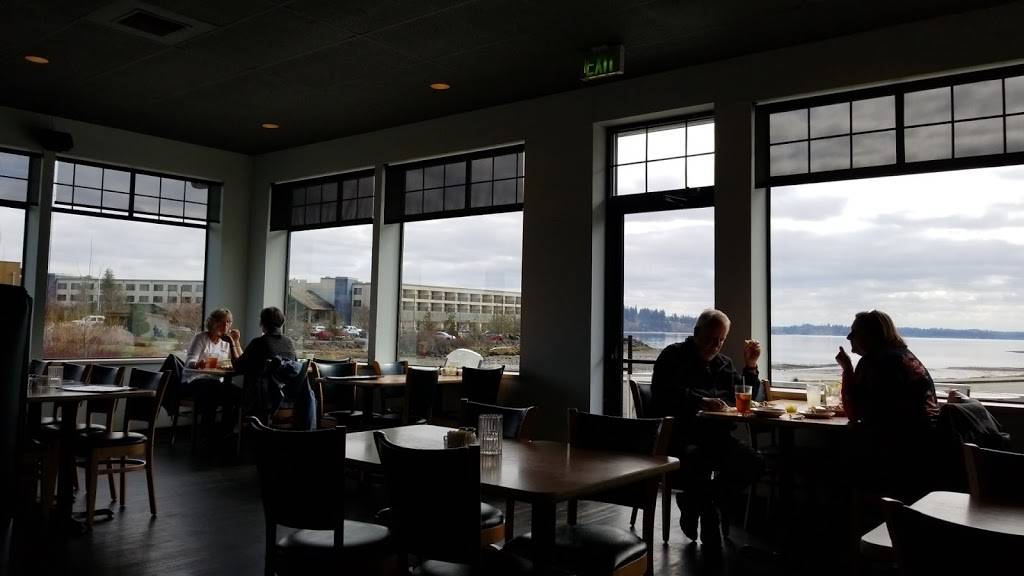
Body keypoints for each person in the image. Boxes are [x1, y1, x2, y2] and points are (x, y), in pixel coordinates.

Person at [650, 309, 763, 549]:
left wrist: (751, 366)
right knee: (699, 460)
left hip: (717, 437)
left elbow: (744, 396)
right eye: (712, 339)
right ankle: (707, 513)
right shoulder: (673, 356)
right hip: (680, 437)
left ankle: (697, 501)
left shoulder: (724, 364)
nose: (716, 345)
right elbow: (663, 394)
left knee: (754, 463)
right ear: (696, 332)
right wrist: (700, 402)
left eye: (721, 340)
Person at [835, 310, 939, 501]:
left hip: (895, 448)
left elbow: (854, 412)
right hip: (927, 445)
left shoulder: (874, 362)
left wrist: (847, 369)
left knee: (838, 460)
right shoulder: (906, 356)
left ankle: (856, 514)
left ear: (871, 336)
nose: (849, 337)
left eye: (855, 332)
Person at [183, 308, 243, 441]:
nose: (225, 325)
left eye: (228, 322)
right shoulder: (201, 338)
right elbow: (189, 361)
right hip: (194, 380)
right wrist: (197, 364)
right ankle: (207, 434)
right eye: (221, 322)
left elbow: (241, 362)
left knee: (237, 394)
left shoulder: (227, 342)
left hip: (216, 382)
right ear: (212, 323)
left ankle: (225, 432)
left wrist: (236, 342)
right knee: (214, 390)